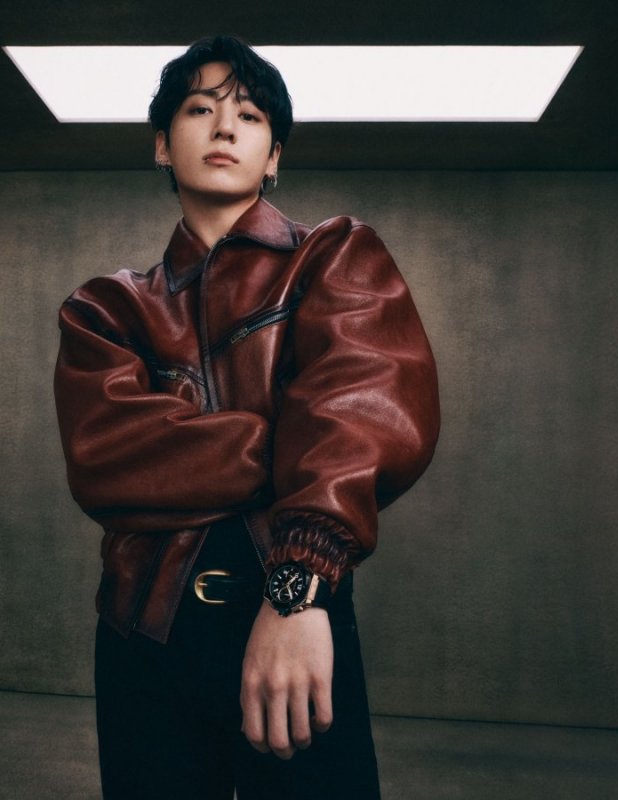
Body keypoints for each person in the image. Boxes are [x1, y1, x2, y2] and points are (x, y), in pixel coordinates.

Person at [54, 35, 440, 800]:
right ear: (162, 145)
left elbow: (366, 418)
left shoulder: (334, 256)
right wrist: (293, 435)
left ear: (273, 158)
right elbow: (105, 457)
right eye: (200, 110)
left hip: (295, 615)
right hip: (143, 635)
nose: (225, 127)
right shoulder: (106, 308)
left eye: (251, 115)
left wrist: (297, 591)